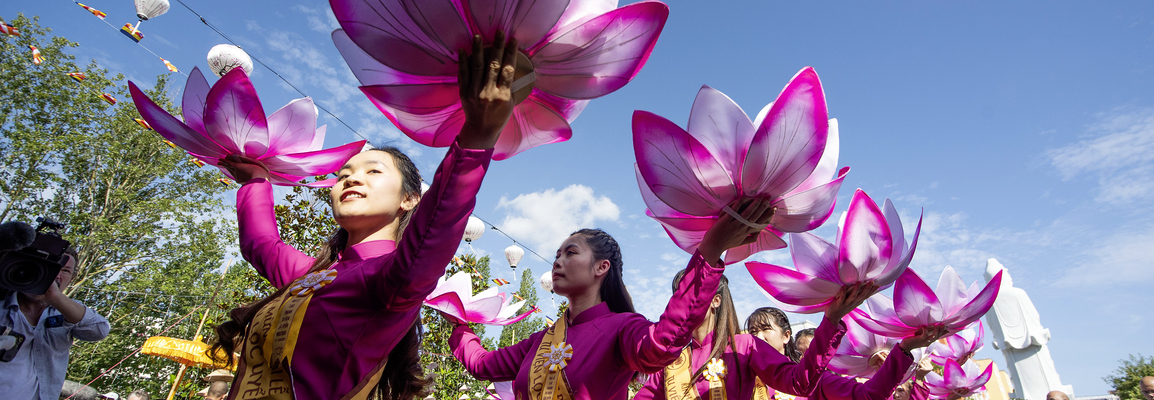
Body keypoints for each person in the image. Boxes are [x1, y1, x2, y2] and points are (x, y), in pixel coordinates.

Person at [209, 33, 519, 400]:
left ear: (408, 199)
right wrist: (257, 181)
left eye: (373, 171)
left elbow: (438, 223)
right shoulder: (312, 275)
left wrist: (478, 133)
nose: (351, 177)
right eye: (343, 174)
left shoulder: (391, 281)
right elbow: (261, 244)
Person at [449, 196, 777, 400]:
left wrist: (710, 251)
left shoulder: (622, 330)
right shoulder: (540, 341)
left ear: (601, 267)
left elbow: (664, 344)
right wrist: (458, 321)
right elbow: (481, 365)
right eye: (557, 254)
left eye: (571, 252)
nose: (558, 260)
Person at [633, 278, 878, 400]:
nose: (682, 304)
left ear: (715, 301)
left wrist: (832, 320)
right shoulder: (671, 362)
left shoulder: (744, 345)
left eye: (690, 295)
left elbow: (800, 383)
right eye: (678, 296)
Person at [0, 249, 111, 400]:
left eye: (65, 270)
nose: (55, 275)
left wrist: (55, 298)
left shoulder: (67, 310)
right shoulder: (3, 304)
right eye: (50, 267)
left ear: (72, 278)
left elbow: (100, 330)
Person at [781, 310, 945, 400]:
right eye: (799, 353)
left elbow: (867, 396)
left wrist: (902, 354)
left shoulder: (826, 381)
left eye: (810, 352)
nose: (803, 359)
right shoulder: (784, 380)